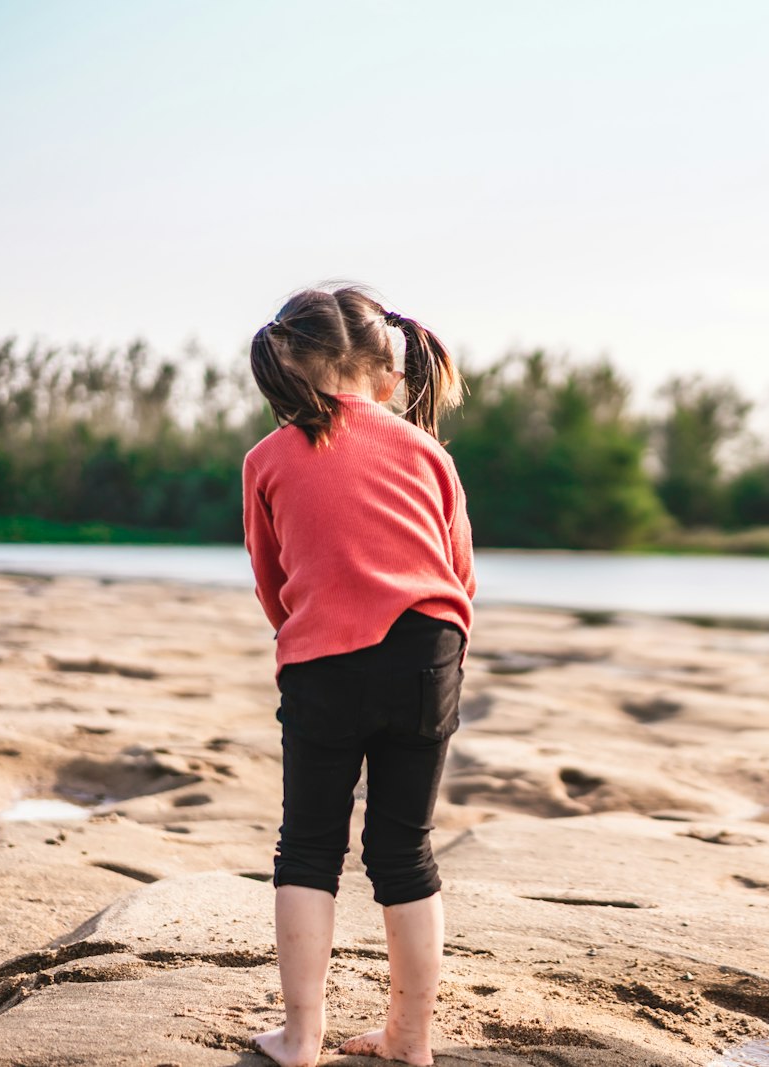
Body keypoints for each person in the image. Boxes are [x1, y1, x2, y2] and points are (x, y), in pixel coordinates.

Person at [241, 286, 475, 1067]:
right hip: (428, 650)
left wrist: (310, 634)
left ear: (287, 369)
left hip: (323, 662)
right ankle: (411, 1038)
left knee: (307, 847)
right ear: (389, 372)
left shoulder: (267, 458)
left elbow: (272, 583)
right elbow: (460, 574)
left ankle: (301, 1037)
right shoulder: (429, 453)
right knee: (404, 852)